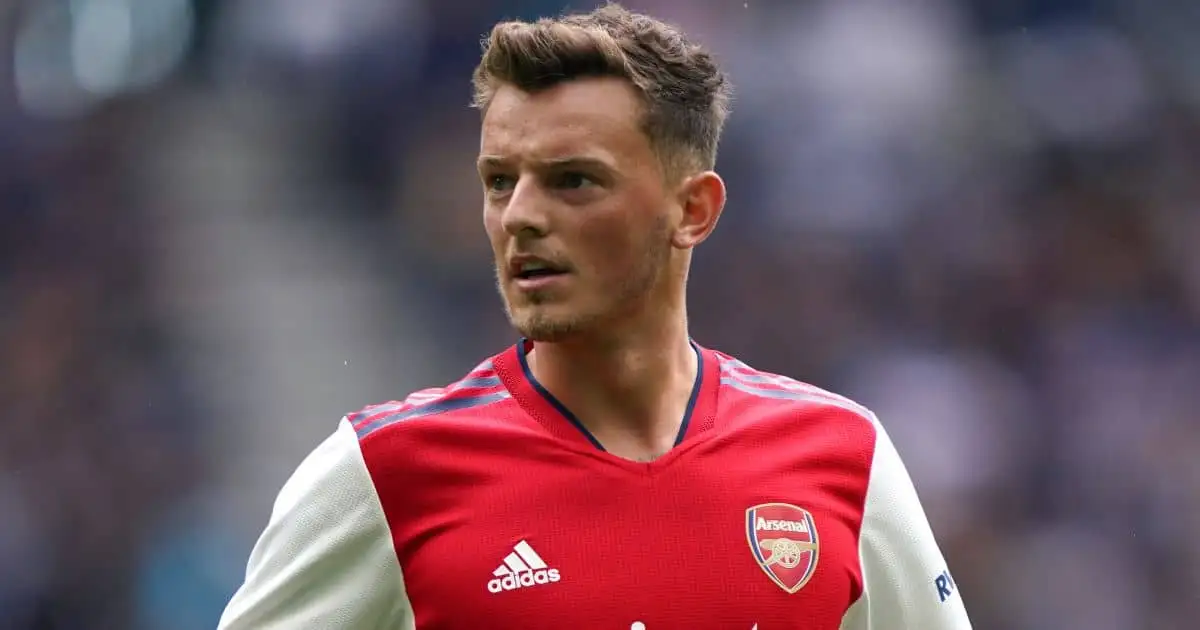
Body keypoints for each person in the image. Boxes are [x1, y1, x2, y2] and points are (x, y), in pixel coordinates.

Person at [218, 3, 973, 629]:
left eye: (572, 181)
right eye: (498, 181)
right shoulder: (385, 475)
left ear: (693, 209)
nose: (520, 216)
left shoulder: (843, 460)